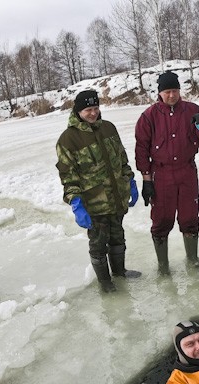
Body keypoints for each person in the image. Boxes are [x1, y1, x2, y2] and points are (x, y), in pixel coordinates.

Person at [56, 89, 141, 293]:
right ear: (78, 111)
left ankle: (120, 272)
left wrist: (130, 181)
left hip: (116, 199)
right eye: (88, 110)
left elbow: (122, 159)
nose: (93, 113)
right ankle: (105, 283)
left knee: (118, 237)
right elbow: (68, 177)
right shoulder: (68, 139)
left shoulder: (109, 128)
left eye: (95, 108)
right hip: (94, 205)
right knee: (98, 245)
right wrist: (76, 203)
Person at [135, 71, 199, 274]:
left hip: (187, 171)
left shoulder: (192, 110)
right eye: (167, 91)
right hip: (161, 174)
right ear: (160, 93)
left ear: (180, 91)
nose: (171, 95)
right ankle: (163, 265)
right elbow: (141, 149)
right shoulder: (148, 116)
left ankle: (192, 258)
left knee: (189, 217)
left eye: (175, 91)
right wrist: (146, 179)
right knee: (162, 219)